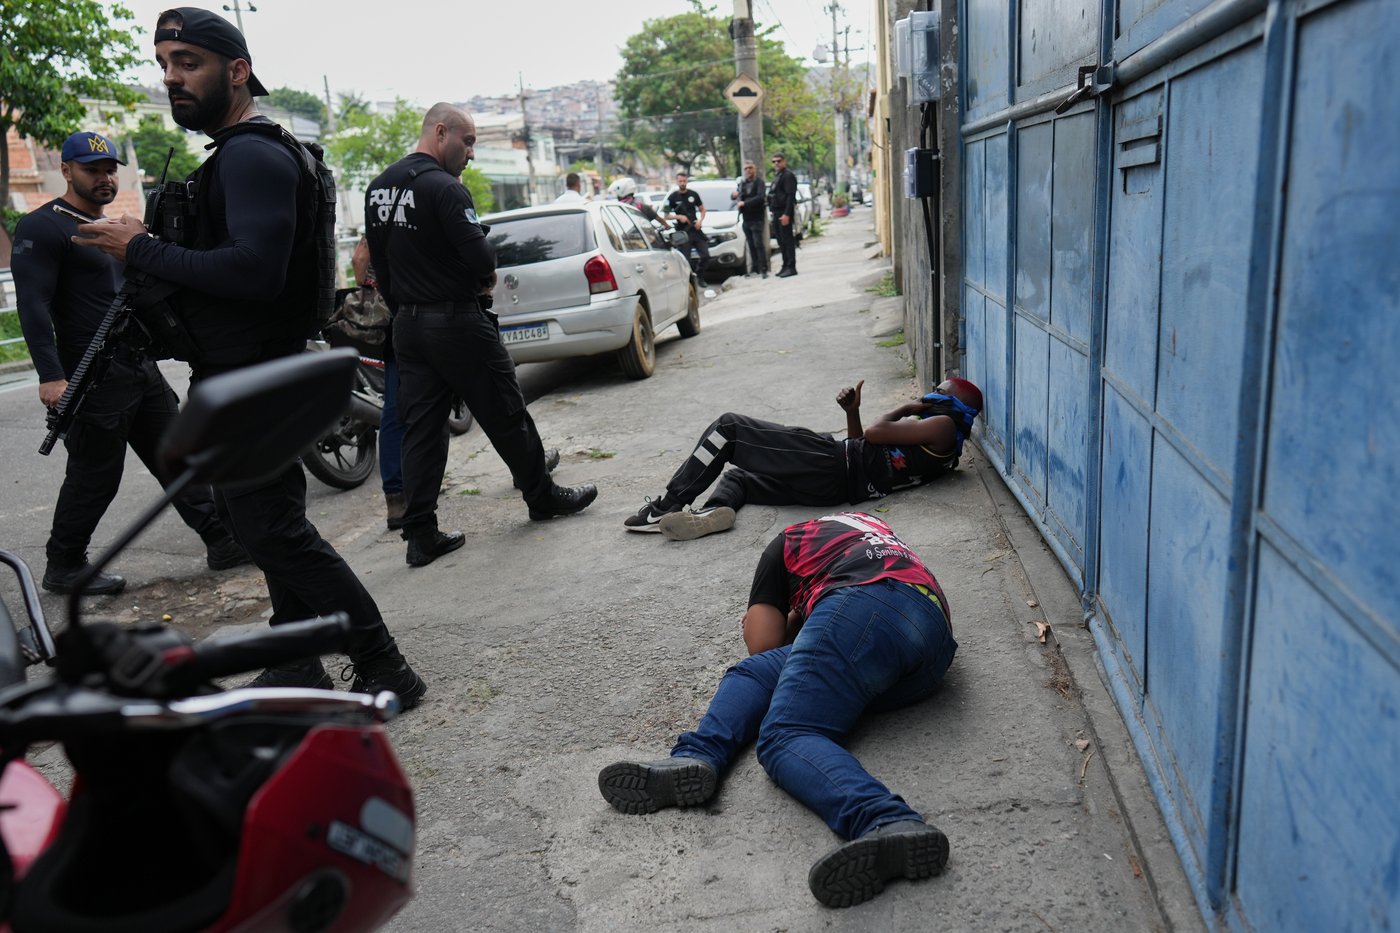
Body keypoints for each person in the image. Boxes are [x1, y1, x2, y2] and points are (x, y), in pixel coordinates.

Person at [73, 7, 426, 704]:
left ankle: (385, 665)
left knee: (274, 529)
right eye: (166, 65)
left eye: (189, 64)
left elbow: (254, 271)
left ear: (237, 72)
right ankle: (299, 659)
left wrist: (138, 247)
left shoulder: (253, 154)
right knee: (262, 524)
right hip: (244, 366)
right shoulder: (241, 153)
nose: (173, 78)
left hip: (252, 371)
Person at [599, 511, 958, 908]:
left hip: (864, 603)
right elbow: (766, 660)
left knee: (786, 735)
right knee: (754, 674)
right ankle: (697, 756)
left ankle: (884, 818)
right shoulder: (866, 527)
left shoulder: (786, 544)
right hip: (930, 647)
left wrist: (772, 619)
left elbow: (762, 640)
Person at [11, 130, 247, 596]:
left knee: (179, 456)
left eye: (109, 170)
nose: (103, 178)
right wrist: (51, 376)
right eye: (91, 170)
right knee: (96, 474)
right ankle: (64, 564)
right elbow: (32, 304)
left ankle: (222, 542)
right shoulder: (46, 226)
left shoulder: (117, 227)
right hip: (91, 373)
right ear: (66, 170)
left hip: (138, 363)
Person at [364, 103, 597, 568]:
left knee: (422, 430)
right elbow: (482, 260)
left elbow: (381, 266)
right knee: (505, 410)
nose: (470, 153)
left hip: (408, 324)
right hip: (456, 323)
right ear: (441, 131)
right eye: (467, 142)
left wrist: (405, 306)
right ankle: (541, 495)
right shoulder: (445, 189)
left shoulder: (377, 189)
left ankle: (421, 533)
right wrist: (478, 277)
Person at [624, 377, 982, 541]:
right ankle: (713, 512)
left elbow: (873, 434)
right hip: (833, 486)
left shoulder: (943, 427)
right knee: (738, 478)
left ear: (953, 403)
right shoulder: (943, 448)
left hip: (828, 461)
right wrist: (851, 411)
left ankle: (666, 507)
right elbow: (865, 444)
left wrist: (904, 407)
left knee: (729, 428)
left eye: (940, 391)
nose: (930, 393)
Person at [663, 172, 709, 284]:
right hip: (683, 232)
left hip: (695, 229)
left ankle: (700, 276)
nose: (682, 183)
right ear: (677, 182)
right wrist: (678, 216)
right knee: (685, 259)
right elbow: (666, 215)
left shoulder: (694, 194)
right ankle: (689, 281)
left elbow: (702, 209)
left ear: (687, 181)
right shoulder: (672, 197)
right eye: (680, 181)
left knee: (705, 255)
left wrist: (700, 221)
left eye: (684, 181)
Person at [735, 161, 769, 278]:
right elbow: (738, 196)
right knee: (751, 245)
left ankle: (764, 268)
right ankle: (755, 268)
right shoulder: (743, 184)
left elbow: (760, 197)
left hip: (757, 218)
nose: (748, 170)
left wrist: (745, 203)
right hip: (746, 218)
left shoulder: (759, 183)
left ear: (755, 169)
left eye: (750, 168)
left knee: (758, 243)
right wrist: (736, 196)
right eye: (746, 168)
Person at [768, 153, 798, 278]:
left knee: (787, 240)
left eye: (779, 161)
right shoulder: (778, 176)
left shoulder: (788, 176)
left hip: (783, 212)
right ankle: (785, 265)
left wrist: (786, 214)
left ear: (784, 162)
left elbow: (790, 197)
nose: (776, 163)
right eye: (774, 161)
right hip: (776, 212)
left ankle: (791, 267)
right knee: (781, 242)